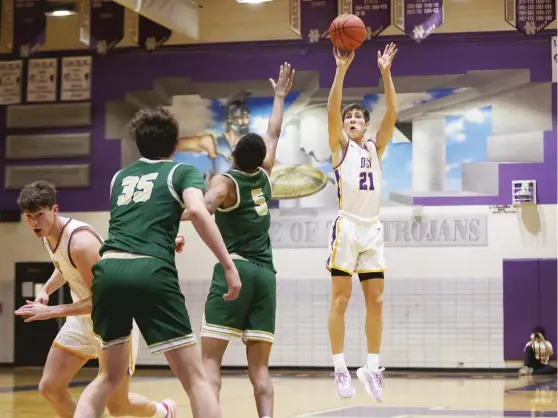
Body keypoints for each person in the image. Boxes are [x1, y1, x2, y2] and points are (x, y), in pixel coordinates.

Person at [73, 107, 242, 418]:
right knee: (195, 379)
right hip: (149, 269)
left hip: (108, 269)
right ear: (176, 144)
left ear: (138, 143)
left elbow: (135, 221)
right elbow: (199, 212)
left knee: (107, 377)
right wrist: (228, 264)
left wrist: (166, 237)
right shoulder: (182, 172)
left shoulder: (119, 178)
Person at [182, 62, 295, 418]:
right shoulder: (264, 174)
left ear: (232, 155)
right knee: (260, 370)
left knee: (210, 360)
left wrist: (171, 215)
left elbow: (204, 208)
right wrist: (279, 96)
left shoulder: (224, 182)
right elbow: (274, 132)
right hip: (266, 276)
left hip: (237, 270)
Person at [14, 180, 177, 418]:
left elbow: (105, 300)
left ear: (55, 210)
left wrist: (52, 311)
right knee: (50, 387)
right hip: (83, 320)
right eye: (29, 216)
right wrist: (46, 290)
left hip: (113, 320)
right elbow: (65, 267)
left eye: (39, 214)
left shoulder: (80, 242)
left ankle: (163, 412)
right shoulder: (48, 234)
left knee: (118, 406)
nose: (34, 223)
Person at [325, 43, 398, 401]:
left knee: (377, 301)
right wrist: (342, 69)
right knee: (341, 300)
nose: (352, 120)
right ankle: (339, 366)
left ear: (366, 124)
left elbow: (393, 115)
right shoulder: (341, 148)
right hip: (348, 226)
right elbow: (332, 108)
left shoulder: (374, 148)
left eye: (358, 118)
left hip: (373, 228)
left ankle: (371, 365)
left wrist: (385, 73)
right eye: (348, 118)